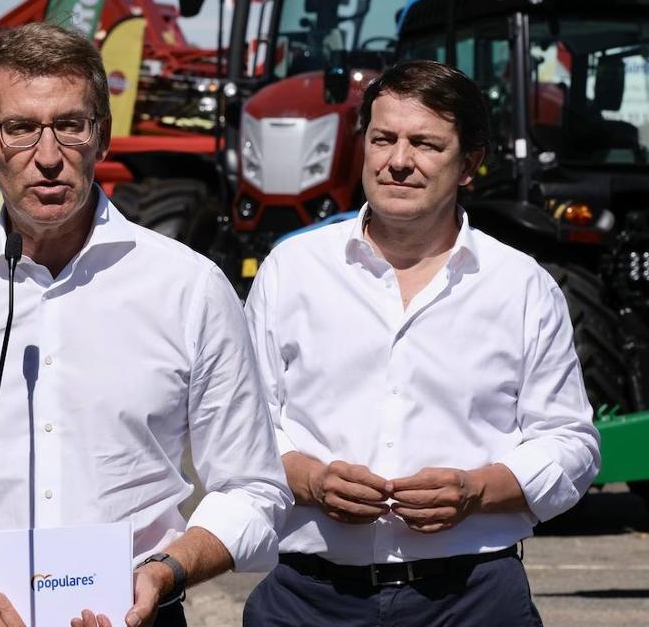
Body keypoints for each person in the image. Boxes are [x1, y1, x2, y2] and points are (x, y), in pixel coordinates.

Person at [0, 23, 289, 627]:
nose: (47, 156)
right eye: (20, 128)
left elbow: (254, 491)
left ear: (99, 134)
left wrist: (164, 570)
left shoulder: (190, 288)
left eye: (69, 125)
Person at [241, 60, 601, 626]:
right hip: (310, 599)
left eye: (426, 144)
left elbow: (571, 443)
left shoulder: (521, 285)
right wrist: (310, 479)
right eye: (383, 139)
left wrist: (477, 491)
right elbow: (246, 423)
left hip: (472, 598)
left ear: (469, 164)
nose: (399, 161)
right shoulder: (293, 269)